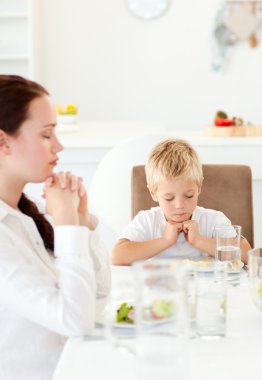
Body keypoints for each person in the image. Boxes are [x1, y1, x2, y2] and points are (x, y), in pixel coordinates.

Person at [0, 75, 110, 380]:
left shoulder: (23, 216)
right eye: (46, 135)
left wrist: (81, 222)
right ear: (3, 141)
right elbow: (75, 320)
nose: (58, 146)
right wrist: (66, 225)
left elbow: (97, 297)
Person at [111, 138, 250, 265]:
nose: (179, 206)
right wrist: (165, 240)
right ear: (153, 193)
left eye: (189, 195)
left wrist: (199, 240)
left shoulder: (213, 220)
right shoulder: (147, 221)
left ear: (199, 188)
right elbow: (116, 256)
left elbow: (246, 255)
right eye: (169, 198)